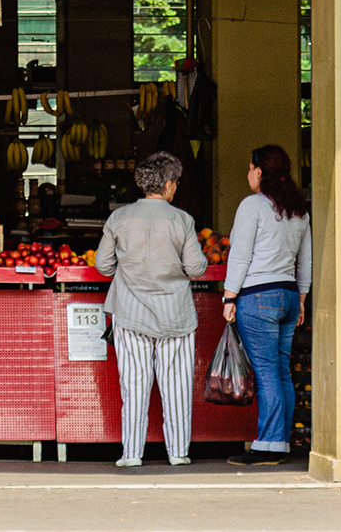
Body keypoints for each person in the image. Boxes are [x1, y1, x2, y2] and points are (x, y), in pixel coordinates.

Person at [95, 151, 206, 468]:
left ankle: (131, 454)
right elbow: (195, 267)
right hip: (176, 317)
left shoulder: (119, 218)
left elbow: (103, 265)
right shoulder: (181, 220)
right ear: (169, 184)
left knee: (134, 385)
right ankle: (178, 453)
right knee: (177, 387)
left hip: (131, 314)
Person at [222, 144, 312, 466]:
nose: (248, 174)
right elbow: (305, 261)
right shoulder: (298, 210)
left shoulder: (253, 206)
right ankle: (281, 443)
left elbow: (240, 255)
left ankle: (267, 447)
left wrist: (229, 296)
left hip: (258, 296)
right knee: (282, 372)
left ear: (259, 172)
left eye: (250, 168)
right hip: (287, 296)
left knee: (266, 372)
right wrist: (301, 298)